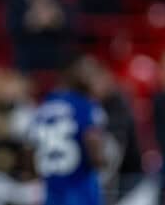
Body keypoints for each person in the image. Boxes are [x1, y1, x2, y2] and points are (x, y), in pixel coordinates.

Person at [28, 54, 107, 205]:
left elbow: (29, 151)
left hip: (51, 192)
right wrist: (102, 161)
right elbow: (94, 144)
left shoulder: (44, 106)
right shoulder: (84, 105)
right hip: (80, 190)